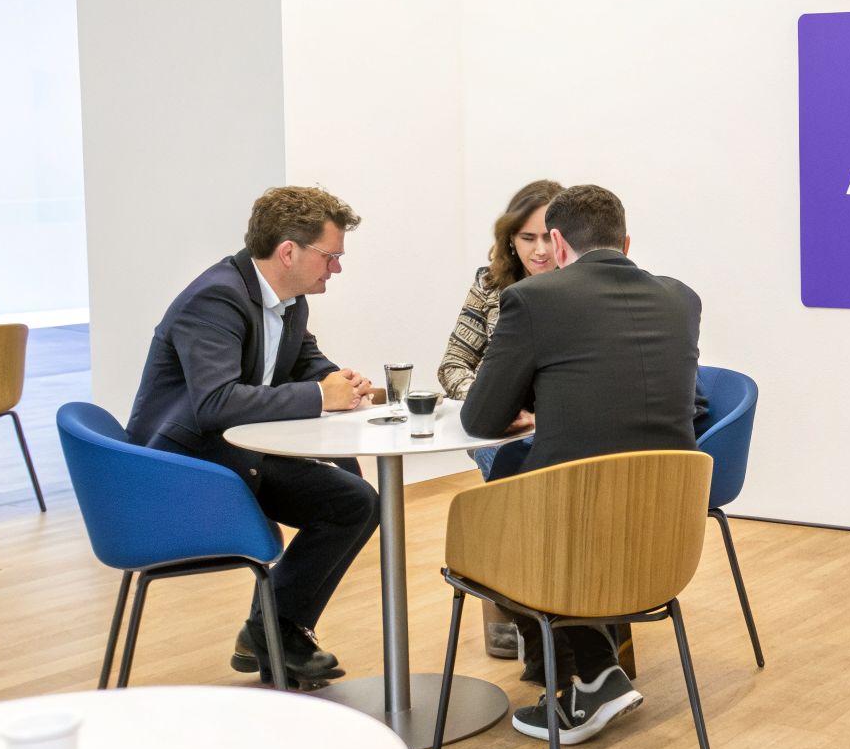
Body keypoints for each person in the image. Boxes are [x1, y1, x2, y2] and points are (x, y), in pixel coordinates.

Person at [461, 184, 703, 746]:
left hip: (573, 533)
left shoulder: (535, 299)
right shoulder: (681, 299)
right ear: (626, 242)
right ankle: (597, 677)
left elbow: (481, 416)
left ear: (559, 244)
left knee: (506, 503)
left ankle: (585, 679)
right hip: (667, 530)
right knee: (552, 487)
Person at [125, 186, 379, 687]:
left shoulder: (289, 299)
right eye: (330, 257)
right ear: (288, 251)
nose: (336, 269)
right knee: (349, 500)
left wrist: (342, 383)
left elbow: (304, 362)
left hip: (233, 456)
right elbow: (215, 402)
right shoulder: (214, 298)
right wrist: (319, 397)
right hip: (186, 469)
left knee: (356, 499)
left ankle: (273, 630)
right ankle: (274, 632)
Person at [437, 179, 562, 659]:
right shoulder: (488, 284)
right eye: (527, 238)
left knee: (513, 508)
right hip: (500, 425)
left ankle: (527, 610)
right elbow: (452, 364)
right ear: (510, 238)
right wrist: (490, 402)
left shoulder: (578, 289)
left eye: (549, 236)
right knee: (508, 477)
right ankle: (527, 610)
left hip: (557, 427)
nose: (541, 250)